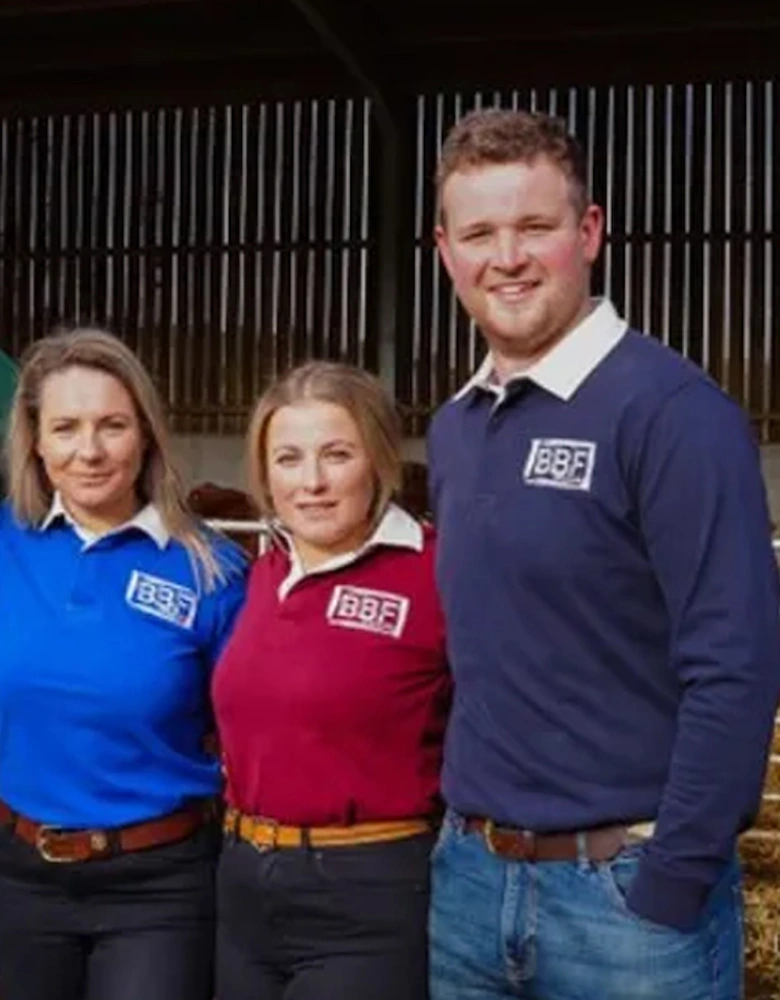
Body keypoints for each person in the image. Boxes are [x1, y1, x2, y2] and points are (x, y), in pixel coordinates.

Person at [426, 107, 780, 1000]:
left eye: (534, 227)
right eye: (479, 233)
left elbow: (735, 665)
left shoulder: (672, 415)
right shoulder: (456, 429)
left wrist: (673, 880)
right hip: (470, 886)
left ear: (589, 232)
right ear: (444, 252)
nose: (506, 257)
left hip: (625, 900)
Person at [0, 328, 246, 1000]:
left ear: (145, 435)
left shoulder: (213, 570)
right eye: (66, 427)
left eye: (112, 424)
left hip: (158, 885)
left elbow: (251, 728)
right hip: (17, 877)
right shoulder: (4, 544)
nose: (89, 450)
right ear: (36, 441)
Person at [212, 360, 450, 1000]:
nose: (311, 482)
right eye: (288, 459)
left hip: (369, 889)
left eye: (336, 455)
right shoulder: (260, 575)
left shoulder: (436, 575)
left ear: (377, 459)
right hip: (241, 881)